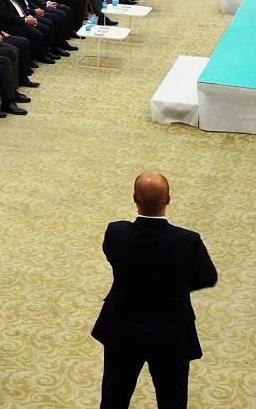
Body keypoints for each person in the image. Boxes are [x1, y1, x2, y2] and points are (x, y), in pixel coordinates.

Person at [93, 171, 217, 409]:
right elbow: (208, 277)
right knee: (172, 400)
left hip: (122, 328)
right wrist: (177, 285)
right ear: (168, 199)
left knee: (114, 397)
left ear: (134, 198)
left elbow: (112, 256)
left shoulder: (117, 233)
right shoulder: (188, 241)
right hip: (171, 333)